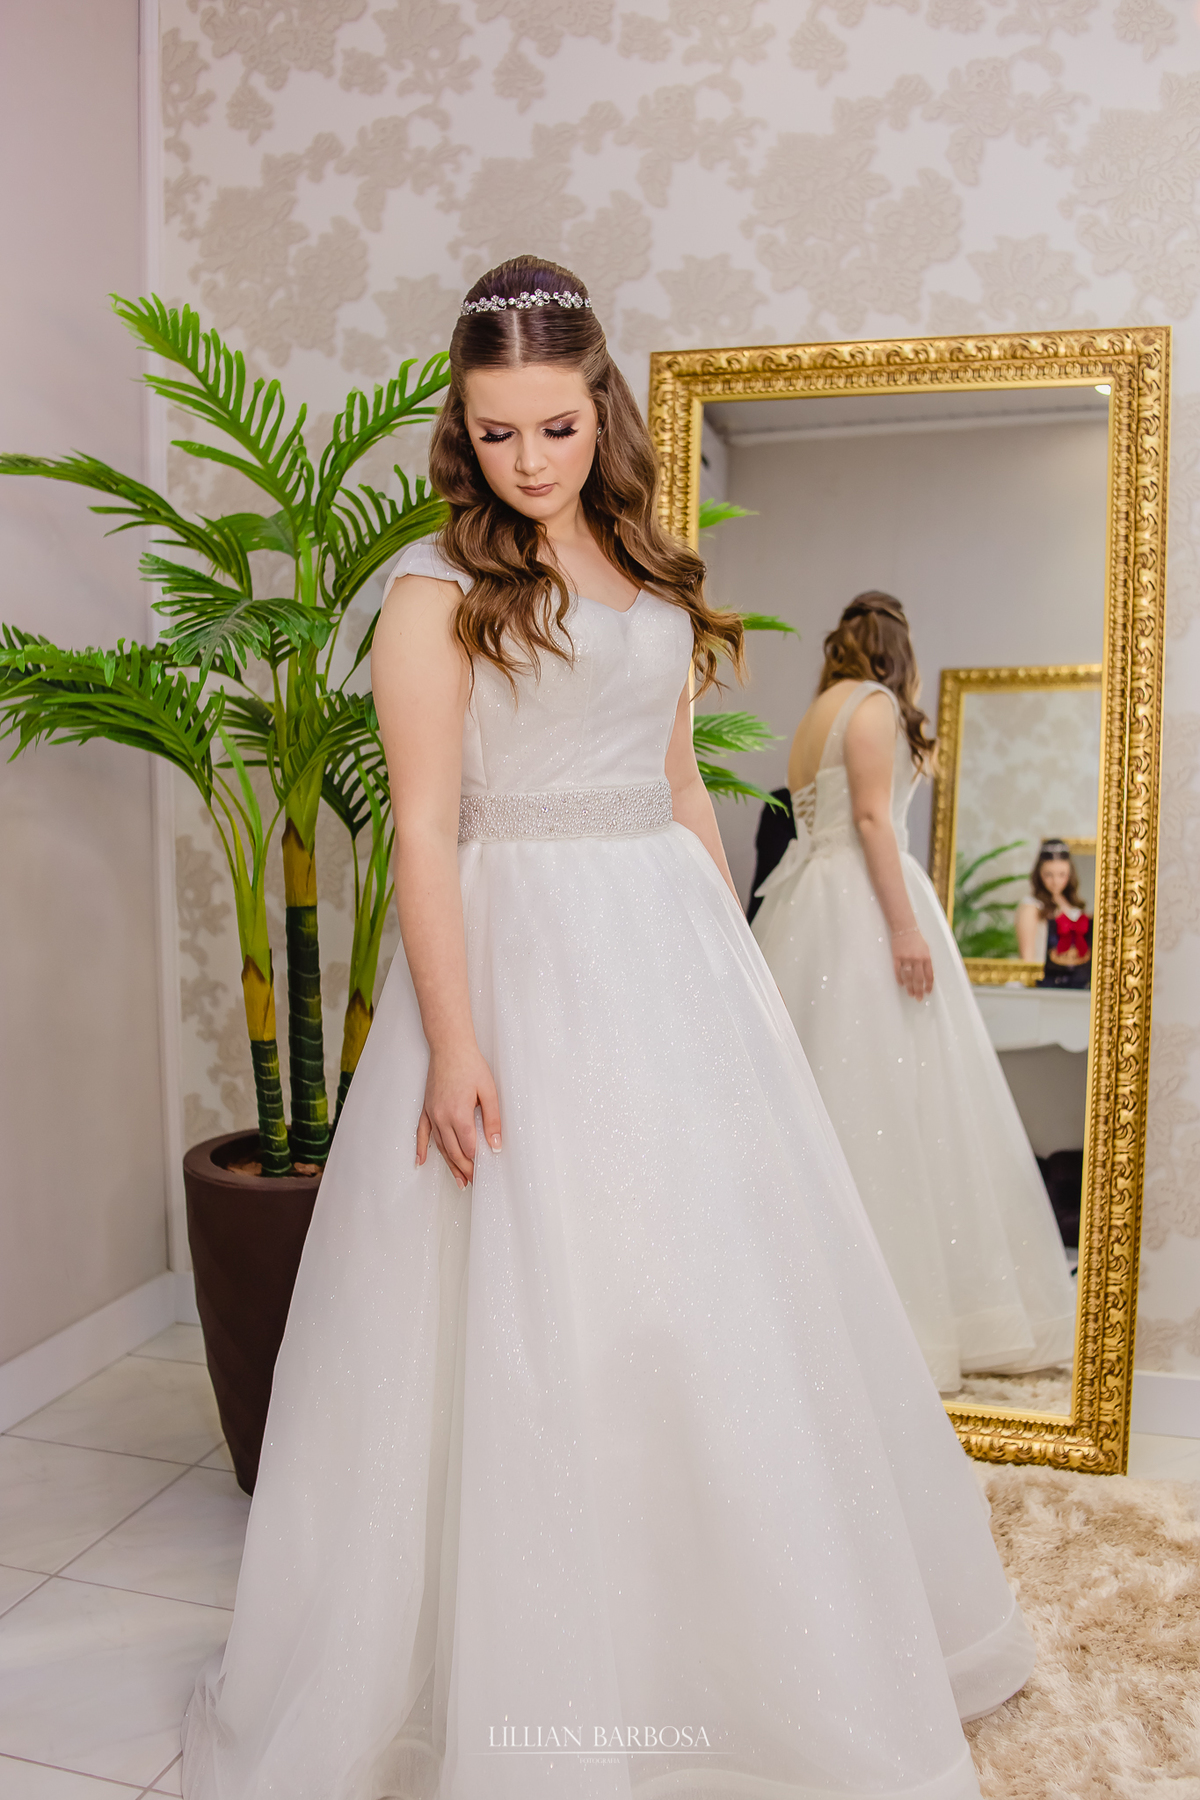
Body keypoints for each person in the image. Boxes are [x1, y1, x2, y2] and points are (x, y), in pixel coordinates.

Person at [182, 262, 1035, 1800]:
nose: (530, 459)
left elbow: (679, 785)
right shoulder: (434, 592)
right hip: (514, 953)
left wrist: (736, 980)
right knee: (532, 1307)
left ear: (604, 407)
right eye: (496, 431)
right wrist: (454, 1044)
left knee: (703, 1302)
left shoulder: (653, 569)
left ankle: (731, 1651)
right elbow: (421, 830)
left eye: (558, 426)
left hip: (663, 945)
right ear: (461, 430)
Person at [752, 595, 1077, 1396]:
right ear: (898, 655)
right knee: (888, 1100)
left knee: (835, 1096)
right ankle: (902, 1317)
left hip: (807, 908)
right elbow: (872, 821)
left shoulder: (815, 715)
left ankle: (813, 1311)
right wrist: (905, 929)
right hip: (859, 908)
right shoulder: (871, 706)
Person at [1017, 839, 1093, 988]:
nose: (1056, 881)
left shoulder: (1073, 906)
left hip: (1078, 987)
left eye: (1062, 874)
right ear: (1039, 874)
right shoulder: (1031, 907)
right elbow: (1027, 961)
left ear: (1070, 874)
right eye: (1048, 875)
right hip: (1045, 986)